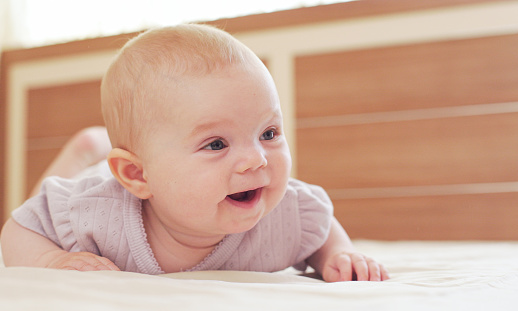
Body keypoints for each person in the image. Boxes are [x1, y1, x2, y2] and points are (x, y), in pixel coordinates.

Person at [1, 24, 389, 282]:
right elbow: (20, 227)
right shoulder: (96, 213)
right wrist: (52, 262)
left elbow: (317, 226)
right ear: (138, 175)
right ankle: (87, 147)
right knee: (56, 186)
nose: (257, 159)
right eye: (217, 144)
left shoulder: (283, 213)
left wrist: (337, 254)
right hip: (100, 179)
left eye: (268, 132)